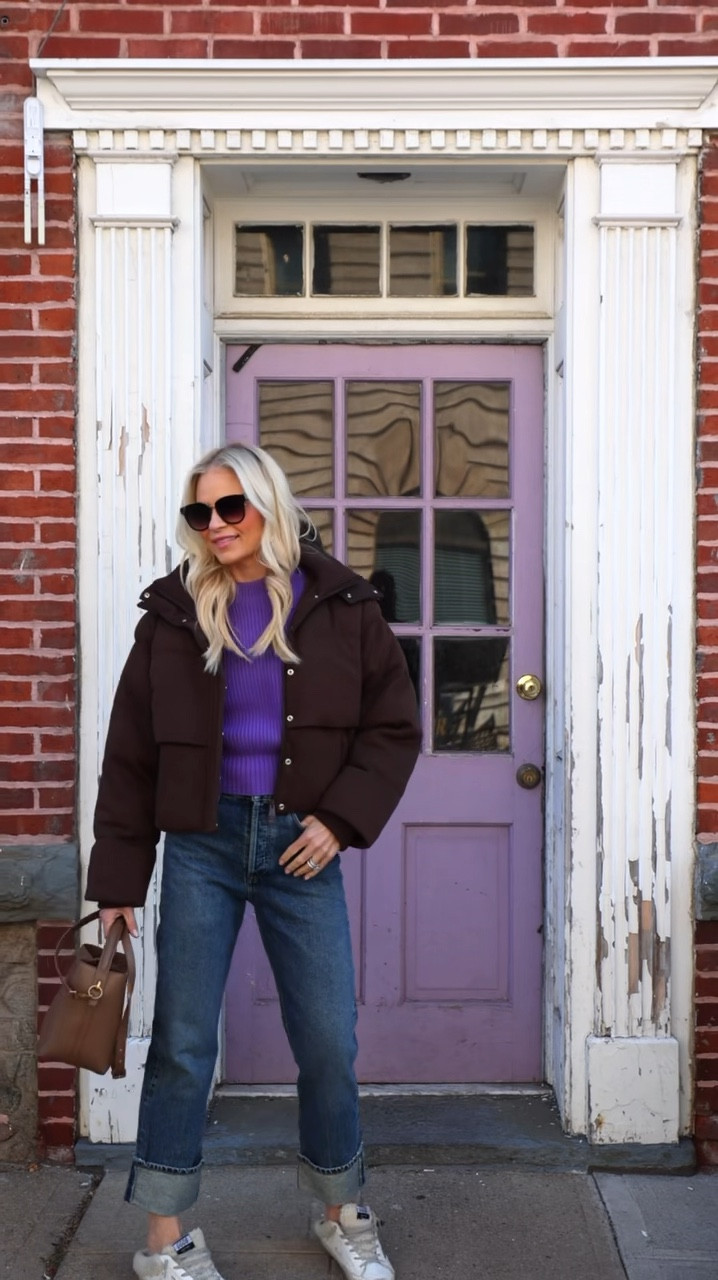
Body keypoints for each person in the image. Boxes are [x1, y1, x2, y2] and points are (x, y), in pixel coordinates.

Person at [86, 442, 421, 1280]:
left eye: (231, 507)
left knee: (327, 1040)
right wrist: (119, 885)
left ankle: (343, 1212)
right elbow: (130, 756)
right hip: (199, 844)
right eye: (201, 512)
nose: (216, 525)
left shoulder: (342, 605)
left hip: (298, 845)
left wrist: (339, 822)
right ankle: (164, 1243)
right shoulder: (172, 613)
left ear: (269, 506)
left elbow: (393, 727)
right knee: (184, 1043)